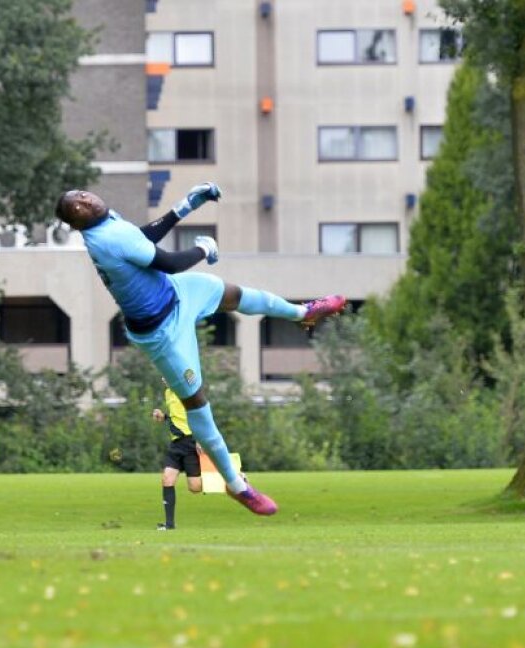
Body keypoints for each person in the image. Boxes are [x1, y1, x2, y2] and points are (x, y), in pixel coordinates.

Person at [55, 183, 346, 516]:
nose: (85, 201)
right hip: (162, 332)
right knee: (197, 405)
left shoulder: (108, 223)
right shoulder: (106, 238)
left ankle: (303, 313)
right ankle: (237, 486)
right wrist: (202, 249)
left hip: (175, 292)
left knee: (237, 295)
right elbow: (169, 262)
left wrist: (185, 207)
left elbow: (142, 239)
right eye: (77, 206)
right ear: (76, 223)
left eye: (82, 195)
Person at [152, 381, 203, 530]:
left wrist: (200, 438)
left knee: (195, 487)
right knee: (167, 479)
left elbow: (199, 414)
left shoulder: (185, 390)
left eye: (166, 375)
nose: (163, 379)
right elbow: (178, 417)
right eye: (162, 376)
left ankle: (233, 479)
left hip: (191, 441)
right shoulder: (168, 392)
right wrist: (164, 417)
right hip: (176, 444)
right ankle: (169, 524)